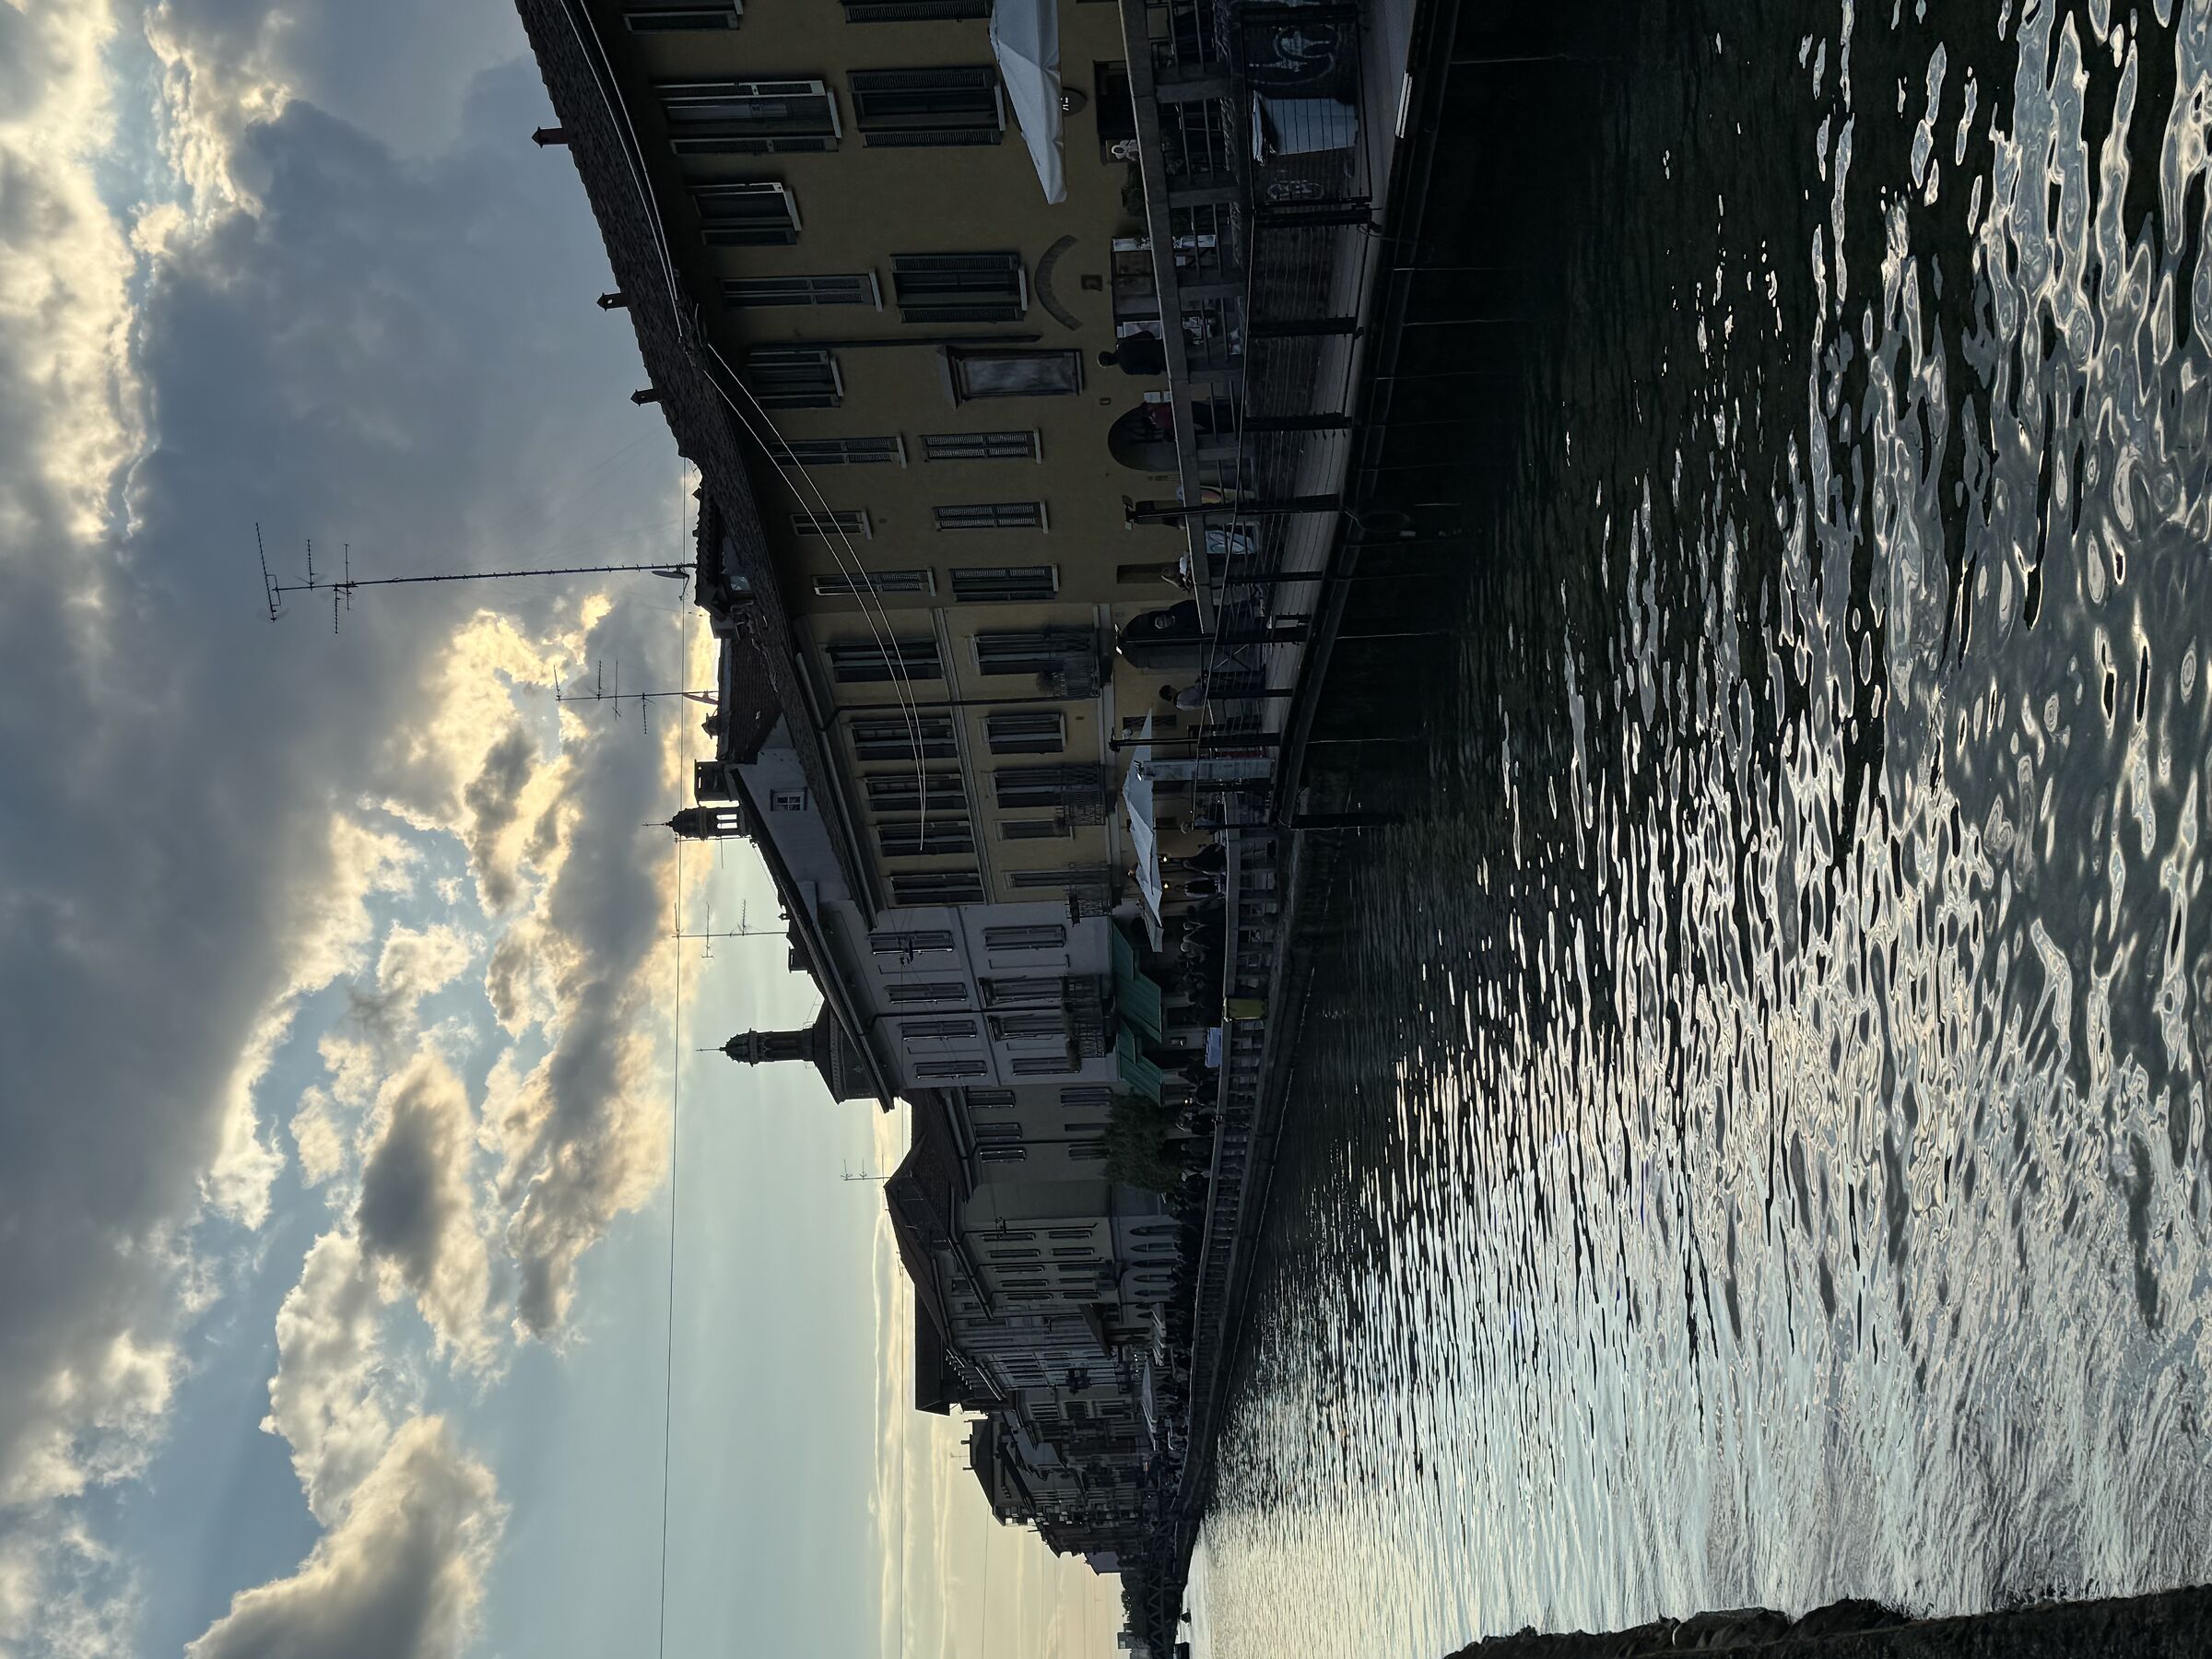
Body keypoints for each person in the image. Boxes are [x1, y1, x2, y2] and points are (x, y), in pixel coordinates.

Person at [1100, 333, 1168, 375]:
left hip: (1163, 363)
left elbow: (1152, 370)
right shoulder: (1123, 344)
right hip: (1162, 345)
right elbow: (1147, 335)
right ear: (1108, 353)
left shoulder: (1126, 369)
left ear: (1110, 364)